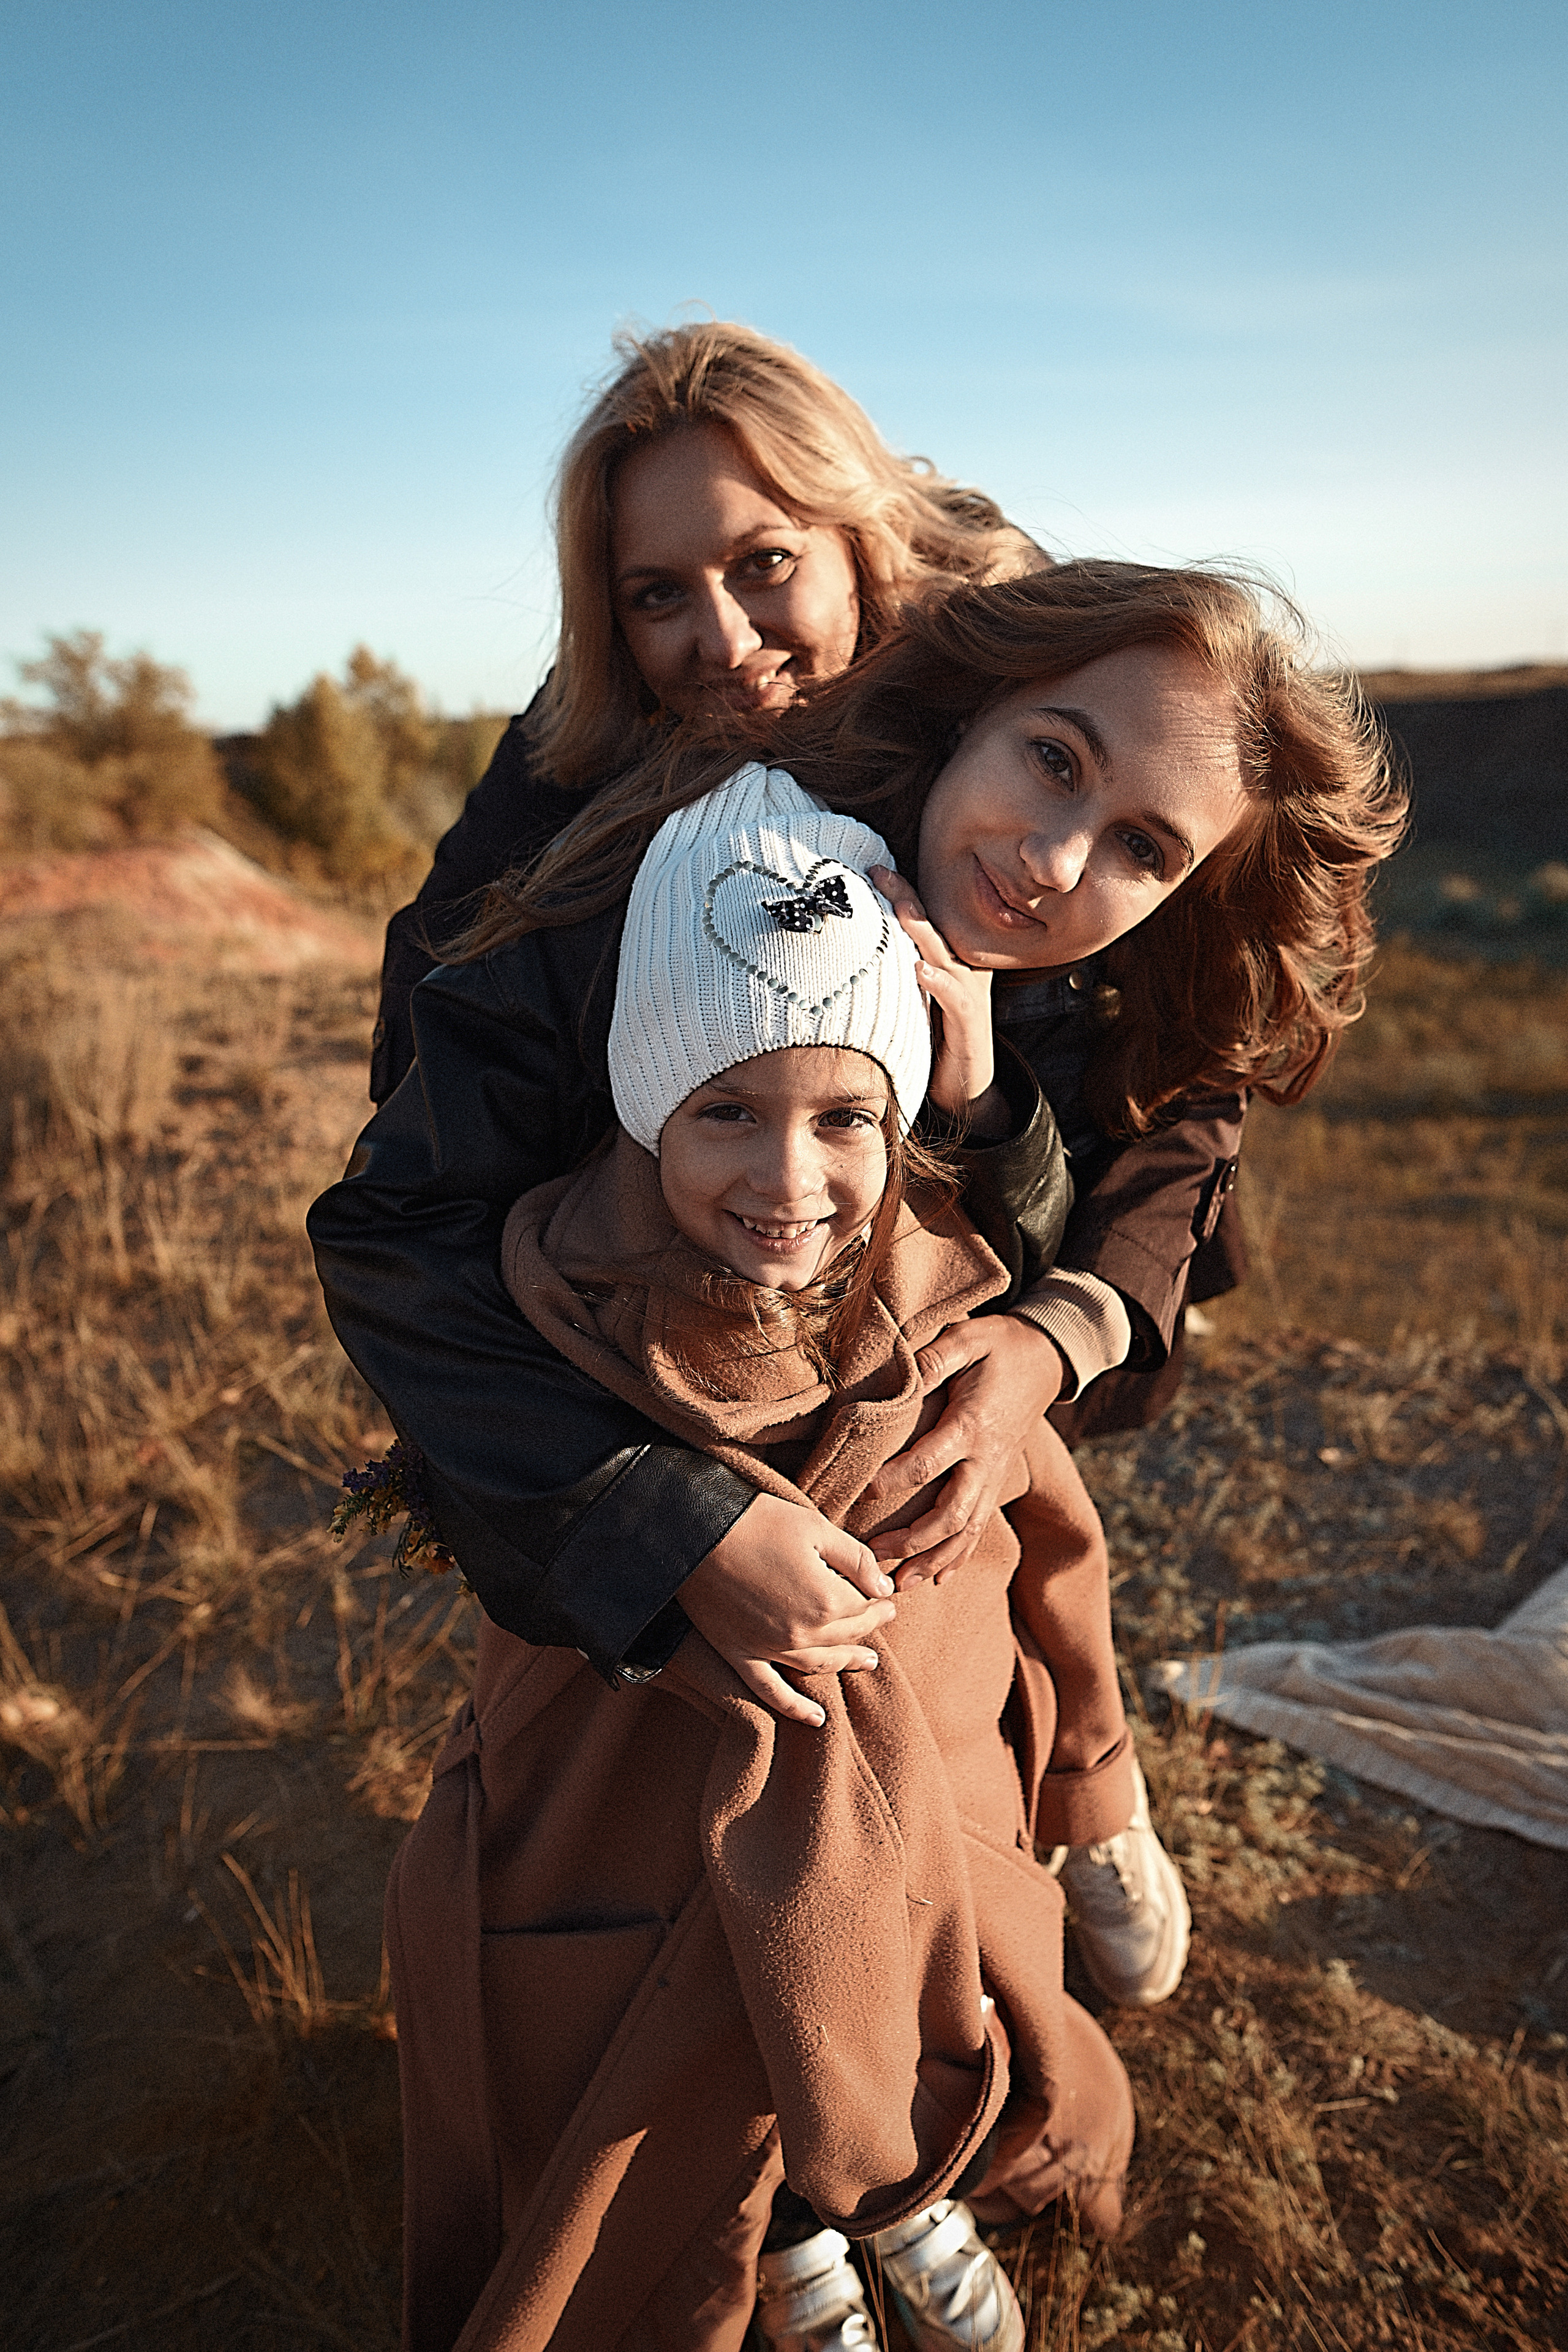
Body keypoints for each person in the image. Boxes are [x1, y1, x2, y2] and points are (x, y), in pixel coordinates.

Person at [311, 562, 1402, 2009]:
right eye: (1051, 760)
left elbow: (1175, 1155)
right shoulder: (693, 889)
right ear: (970, 706)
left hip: (915, 1454)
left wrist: (1046, 1329)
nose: (1055, 861)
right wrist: (660, 1525)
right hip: (650, 1430)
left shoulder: (1111, 972)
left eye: (1142, 844)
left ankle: (1057, 1819)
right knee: (649, 1836)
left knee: (991, 1647)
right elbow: (401, 1230)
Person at [384, 767, 1136, 2352]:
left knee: (883, 1948)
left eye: (844, 1118)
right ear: (647, 1097)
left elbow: (1044, 1436)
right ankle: (786, 2220)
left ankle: (889, 2179)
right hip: (665, 1768)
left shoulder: (938, 1264)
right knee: (715, 1983)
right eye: (725, 1110)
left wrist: (989, 1111)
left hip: (913, 1729)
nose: (790, 1186)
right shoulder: (565, 1298)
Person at [368, 320, 1245, 1450]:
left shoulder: (1023, 682)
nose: (723, 640)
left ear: (858, 534)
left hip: (1036, 1238)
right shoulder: (587, 732)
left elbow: (1197, 1041)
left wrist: (1081, 1318)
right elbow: (435, 983)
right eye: (655, 595)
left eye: (765, 562)